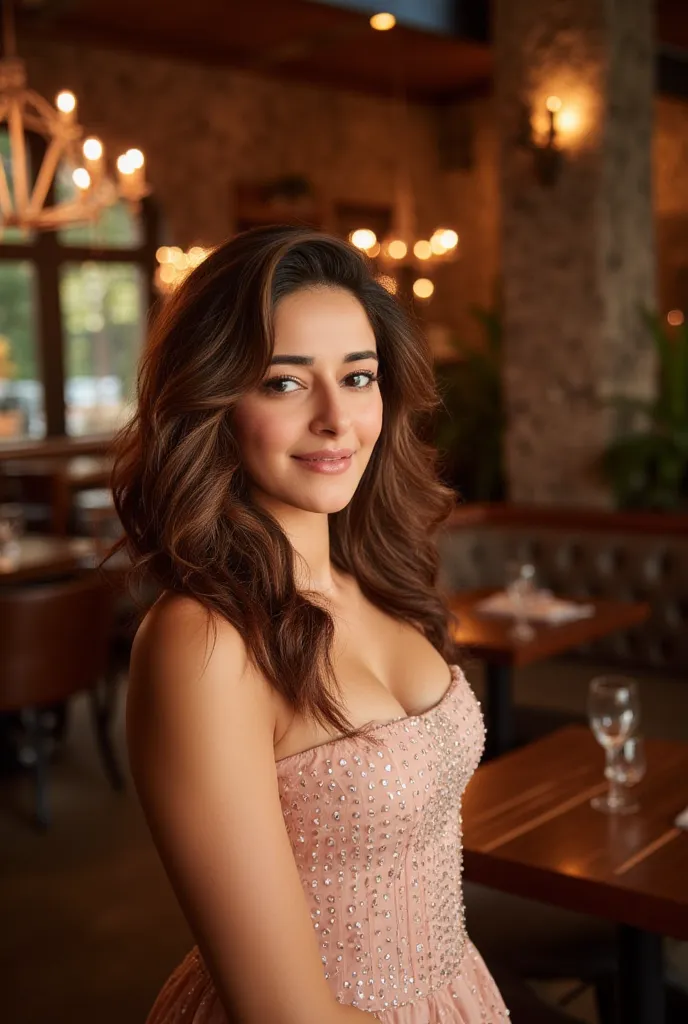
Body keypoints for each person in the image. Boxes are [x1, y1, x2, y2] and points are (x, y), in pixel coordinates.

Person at [111, 226, 509, 1024]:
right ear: (216, 400)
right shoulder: (204, 641)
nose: (336, 418)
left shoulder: (386, 582)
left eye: (358, 377)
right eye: (285, 384)